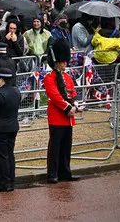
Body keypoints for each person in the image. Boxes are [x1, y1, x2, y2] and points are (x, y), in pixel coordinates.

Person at [44, 38, 81, 184]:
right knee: (55, 147)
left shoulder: (67, 77)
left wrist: (76, 104)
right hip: (57, 117)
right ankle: (52, 173)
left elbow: (72, 93)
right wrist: (68, 108)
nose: (65, 63)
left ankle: (65, 172)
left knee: (66, 147)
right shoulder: (49, 78)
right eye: (63, 61)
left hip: (68, 118)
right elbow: (55, 96)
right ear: (57, 62)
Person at [0, 67, 21, 192]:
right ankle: (11, 180)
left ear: (1, 79)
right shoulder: (16, 91)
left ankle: (4, 182)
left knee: (2, 157)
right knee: (10, 154)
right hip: (12, 126)